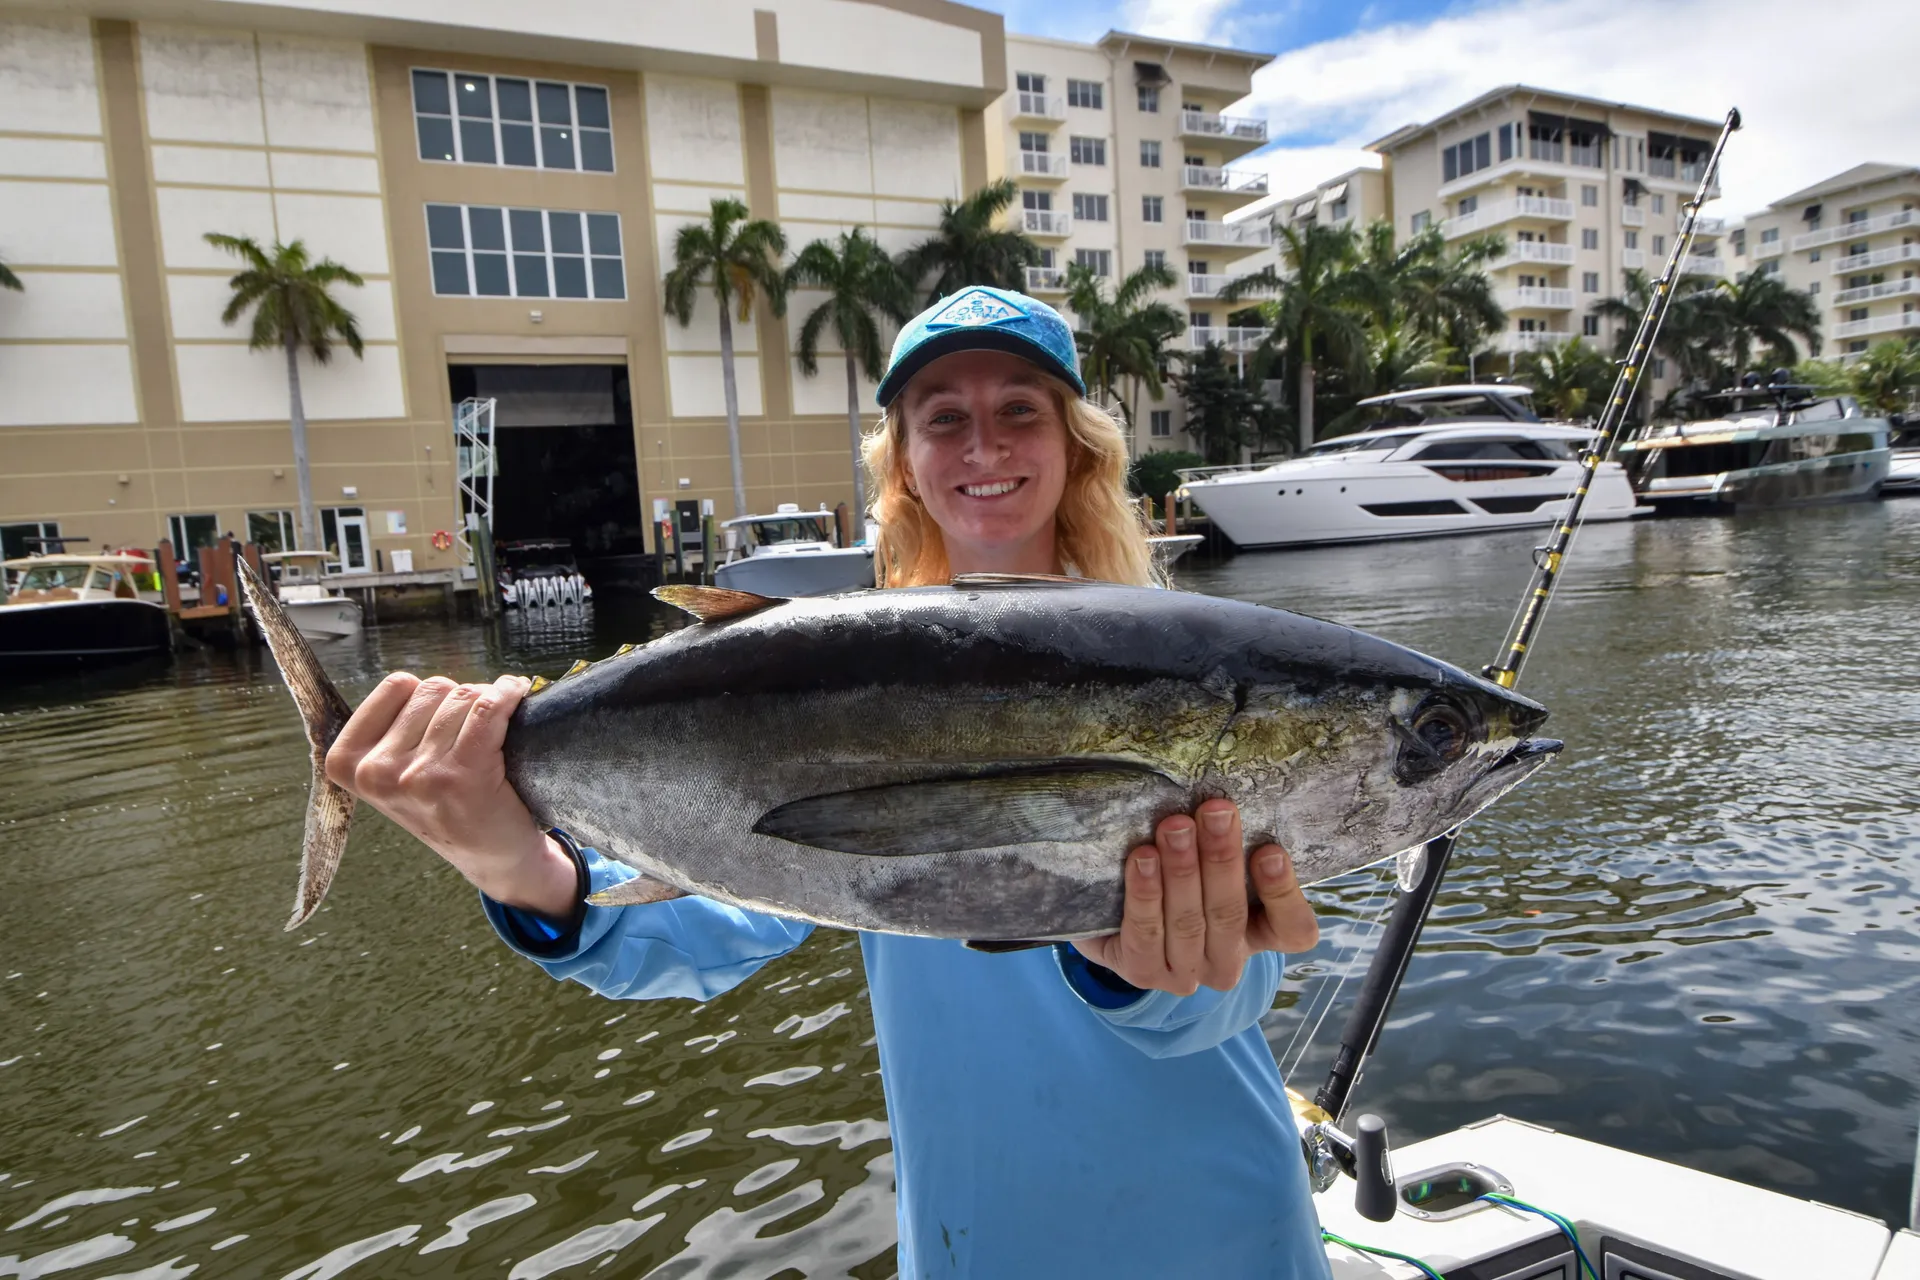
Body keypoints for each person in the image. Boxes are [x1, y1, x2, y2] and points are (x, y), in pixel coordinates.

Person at [323, 286, 1334, 1277]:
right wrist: (517, 867)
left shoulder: (1191, 667)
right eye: (946, 418)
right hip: (982, 1237)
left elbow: (1234, 989)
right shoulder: (843, 681)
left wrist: (1155, 968)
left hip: (1221, 1231)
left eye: (1020, 410)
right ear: (906, 463)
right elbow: (707, 924)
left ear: (1077, 445)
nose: (984, 446)